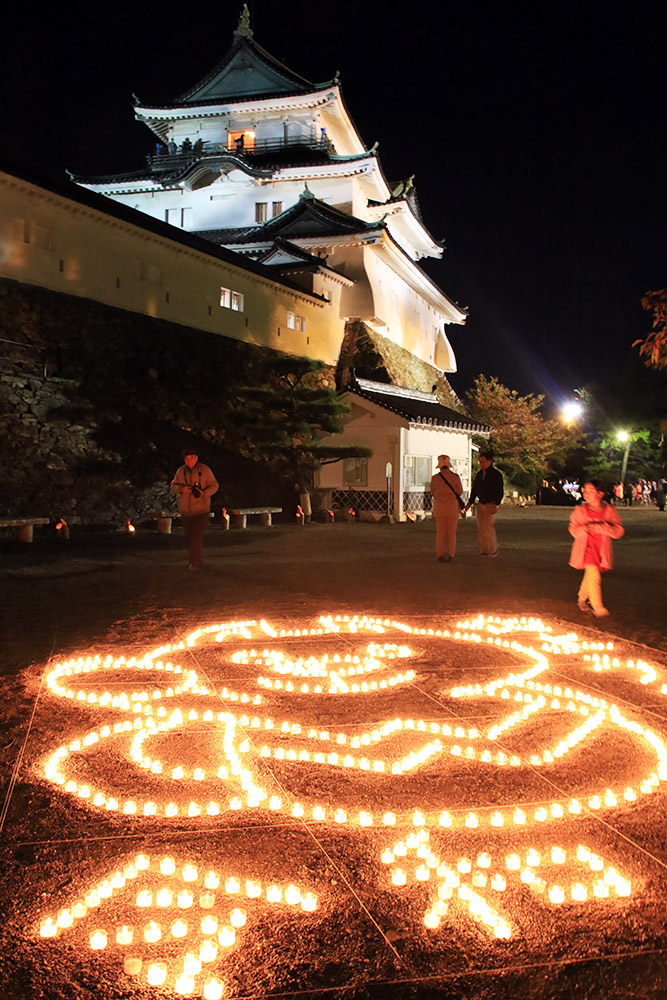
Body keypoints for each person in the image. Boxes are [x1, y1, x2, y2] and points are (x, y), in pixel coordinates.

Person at [568, 480, 624, 617]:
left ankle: (582, 598)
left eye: (590, 491)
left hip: (601, 550)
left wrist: (603, 528)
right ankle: (597, 606)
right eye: (585, 491)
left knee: (591, 574)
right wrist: (585, 528)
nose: (586, 494)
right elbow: (573, 529)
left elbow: (619, 531)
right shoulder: (580, 511)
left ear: (600, 494)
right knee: (594, 575)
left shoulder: (609, 511)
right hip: (585, 549)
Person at [171, 449, 219, 570]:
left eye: (191, 458)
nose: (188, 461)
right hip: (186, 511)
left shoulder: (205, 470)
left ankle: (195, 563)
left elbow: (214, 485)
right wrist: (182, 489)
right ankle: (196, 560)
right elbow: (173, 485)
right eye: (186, 459)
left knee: (196, 536)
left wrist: (204, 493)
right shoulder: (181, 471)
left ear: (196, 458)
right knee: (189, 537)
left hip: (201, 510)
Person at [463, 452, 504, 556]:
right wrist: (470, 502)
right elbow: (475, 489)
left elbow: (499, 490)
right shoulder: (479, 474)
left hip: (491, 503)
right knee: (481, 527)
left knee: (488, 526)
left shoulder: (496, 475)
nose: (481, 464)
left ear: (489, 461)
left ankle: (493, 549)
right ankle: (485, 548)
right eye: (480, 462)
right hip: (481, 502)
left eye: (483, 461)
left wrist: (497, 503)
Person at [430, 455, 464, 562]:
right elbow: (460, 491)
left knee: (440, 532)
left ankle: (440, 554)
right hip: (452, 508)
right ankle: (451, 554)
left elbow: (432, 492)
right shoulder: (455, 477)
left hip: (440, 508)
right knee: (452, 533)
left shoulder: (435, 478)